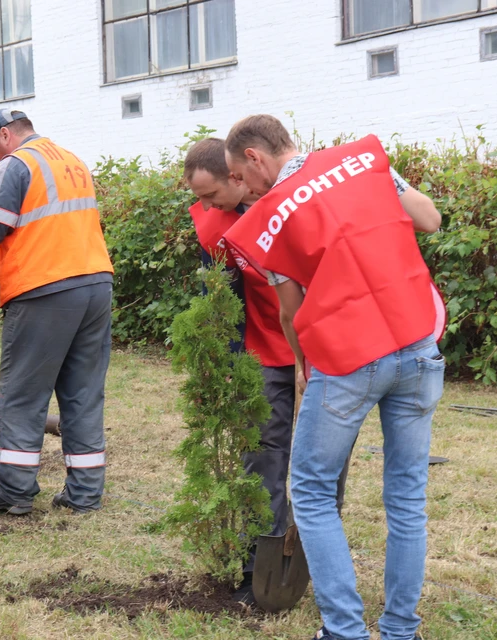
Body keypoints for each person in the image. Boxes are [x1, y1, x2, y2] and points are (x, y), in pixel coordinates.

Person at [222, 115, 445, 640]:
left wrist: (304, 368)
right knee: (408, 495)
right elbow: (428, 219)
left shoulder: (270, 214)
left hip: (349, 359)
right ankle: (399, 630)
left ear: (256, 157)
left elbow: (289, 313)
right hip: (418, 344)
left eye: (240, 177)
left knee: (311, 490)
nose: (245, 190)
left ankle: (344, 630)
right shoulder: (361, 161)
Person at [0, 109, 114, 515]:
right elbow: (58, 229)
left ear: (4, 136)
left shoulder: (15, 166)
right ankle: (85, 494)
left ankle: (16, 491)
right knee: (84, 393)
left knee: (22, 394)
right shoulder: (71, 162)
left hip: (44, 291)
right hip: (95, 284)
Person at [183, 138, 296, 604]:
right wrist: (232, 362)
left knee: (316, 467)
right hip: (266, 351)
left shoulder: (289, 199)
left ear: (237, 174)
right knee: (263, 459)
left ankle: (309, 561)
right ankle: (259, 572)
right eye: (199, 197)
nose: (204, 205)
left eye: (210, 194)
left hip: (322, 348)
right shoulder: (212, 224)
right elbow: (225, 298)